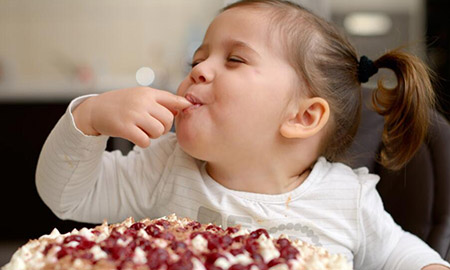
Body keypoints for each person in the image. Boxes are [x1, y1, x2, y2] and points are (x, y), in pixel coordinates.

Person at [36, 0, 450, 269]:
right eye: (196, 58)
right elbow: (67, 195)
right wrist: (88, 116)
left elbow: (401, 254)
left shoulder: (347, 200)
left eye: (234, 59)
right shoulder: (164, 167)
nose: (197, 70)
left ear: (303, 117)